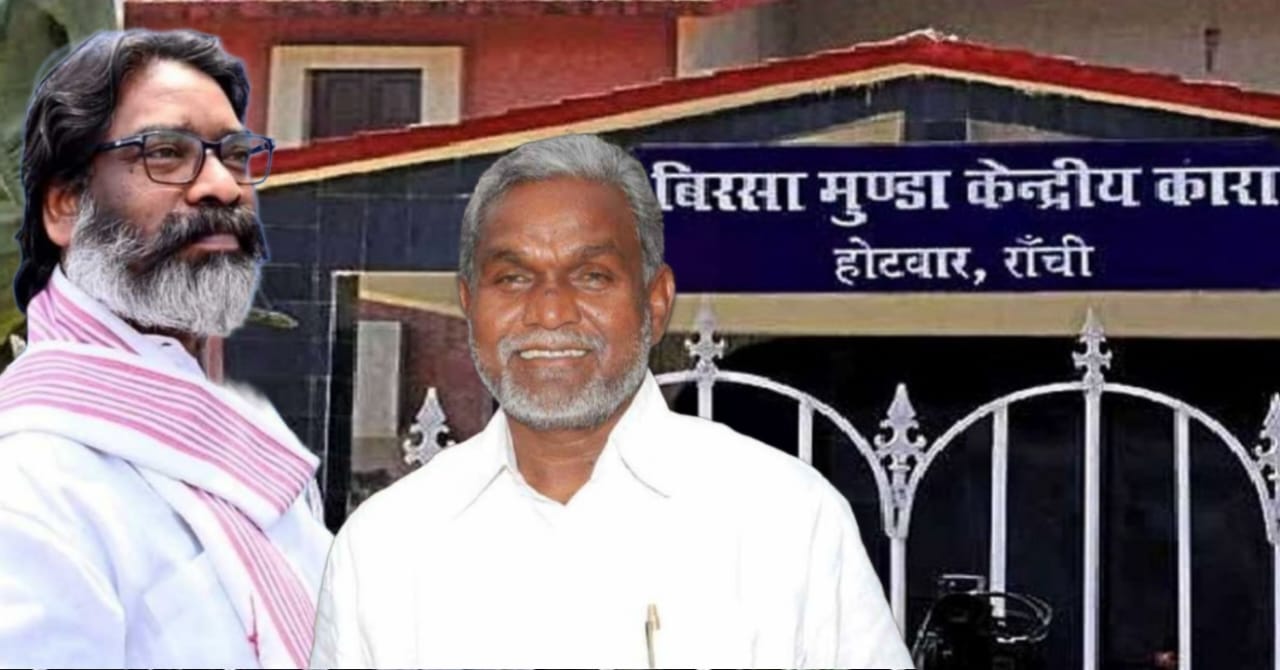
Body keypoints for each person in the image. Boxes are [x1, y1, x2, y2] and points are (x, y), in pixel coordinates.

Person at [310, 134, 913, 668]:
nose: (550, 312)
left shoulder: (784, 520)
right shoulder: (386, 546)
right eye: (513, 278)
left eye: (592, 276)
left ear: (655, 302)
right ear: (470, 304)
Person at [0, 30, 330, 668]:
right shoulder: (30, 486)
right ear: (65, 206)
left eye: (235, 155)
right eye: (166, 154)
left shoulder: (245, 444)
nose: (223, 186)